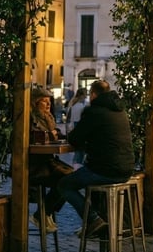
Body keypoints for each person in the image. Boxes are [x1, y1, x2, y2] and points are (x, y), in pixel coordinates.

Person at [58, 80, 135, 237]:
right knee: (88, 181)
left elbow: (74, 138)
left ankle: (94, 220)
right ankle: (100, 224)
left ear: (93, 94)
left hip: (105, 170)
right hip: (126, 169)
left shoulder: (94, 111)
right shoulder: (120, 111)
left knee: (64, 185)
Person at [28, 86, 72, 232]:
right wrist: (50, 134)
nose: (48, 104)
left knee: (72, 176)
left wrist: (57, 134)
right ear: (35, 103)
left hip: (48, 161)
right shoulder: (30, 118)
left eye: (49, 101)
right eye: (44, 101)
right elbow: (37, 137)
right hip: (35, 165)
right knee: (67, 178)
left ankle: (44, 213)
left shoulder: (49, 117)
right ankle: (43, 213)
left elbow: (55, 133)